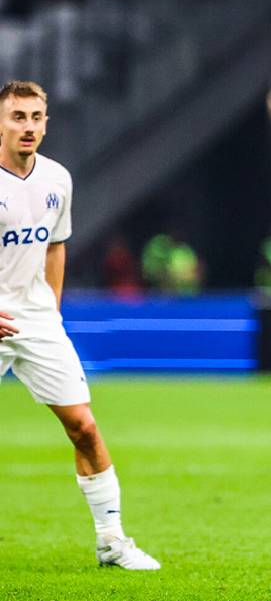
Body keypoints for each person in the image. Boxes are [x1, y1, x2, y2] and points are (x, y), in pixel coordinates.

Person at [0, 81, 159, 570]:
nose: (28, 126)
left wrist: (52, 307)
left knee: (85, 427)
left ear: (47, 121)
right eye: (18, 116)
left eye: (36, 117)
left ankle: (112, 543)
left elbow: (55, 244)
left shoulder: (57, 179)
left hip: (35, 321)